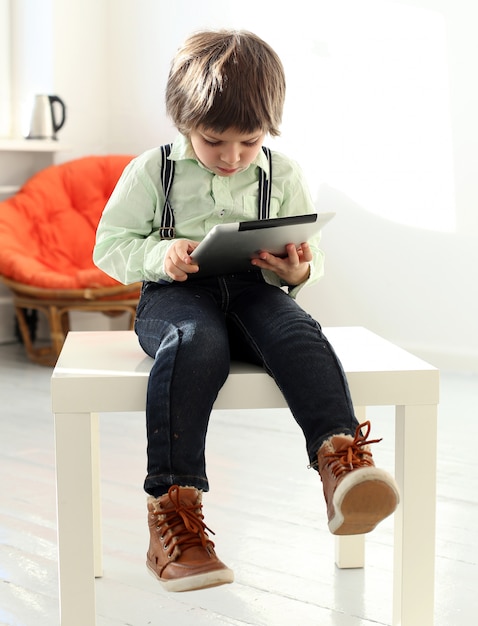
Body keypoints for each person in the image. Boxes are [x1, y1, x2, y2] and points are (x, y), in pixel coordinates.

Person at [93, 29, 399, 593]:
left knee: (299, 332)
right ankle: (173, 512)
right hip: (175, 296)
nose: (232, 157)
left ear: (268, 130)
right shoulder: (151, 170)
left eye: (249, 141)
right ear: (185, 121)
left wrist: (298, 270)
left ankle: (341, 465)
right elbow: (109, 246)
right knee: (194, 341)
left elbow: (311, 252)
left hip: (256, 290)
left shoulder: (282, 174)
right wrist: (163, 254)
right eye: (214, 141)